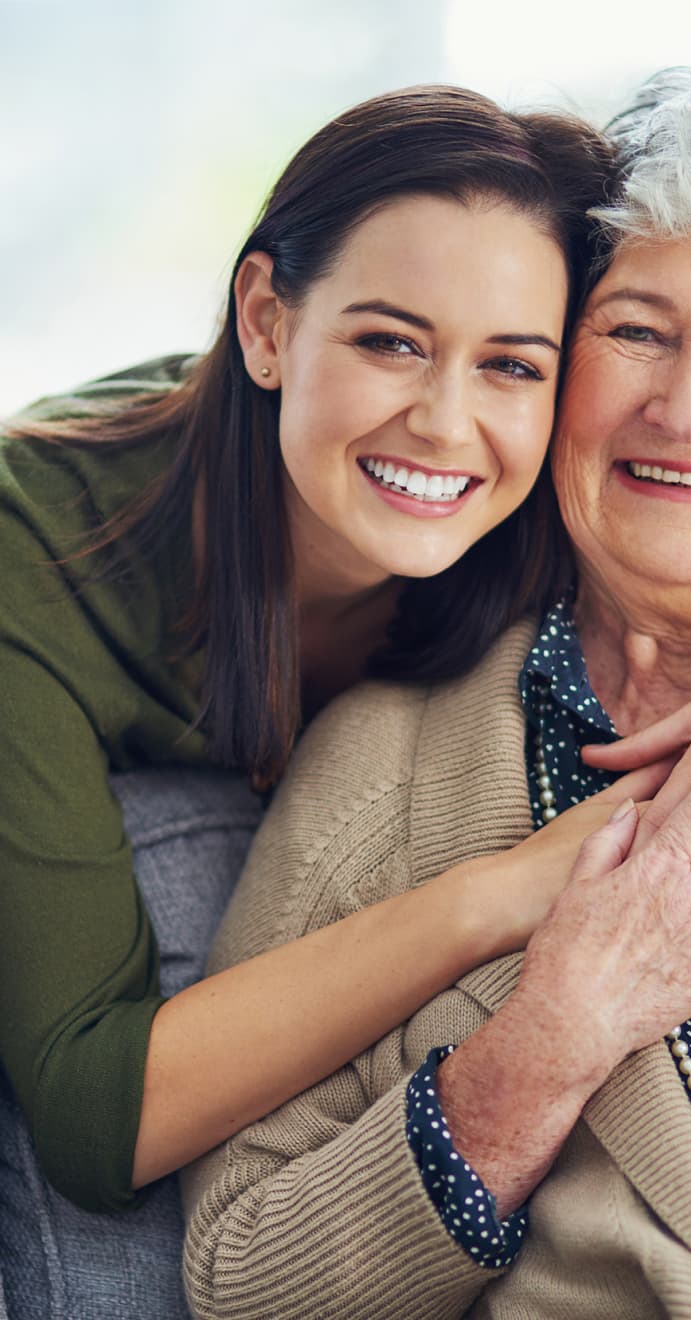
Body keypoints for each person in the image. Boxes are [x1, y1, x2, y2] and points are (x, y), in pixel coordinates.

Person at [181, 64, 691, 1320]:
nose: (690, 410)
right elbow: (241, 1278)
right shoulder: (392, 759)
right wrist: (550, 1043)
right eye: (635, 330)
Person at [0, 85, 627, 1320]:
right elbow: (94, 1113)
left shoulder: (580, 480)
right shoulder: (34, 552)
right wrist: (499, 897)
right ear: (267, 320)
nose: (447, 424)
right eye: (391, 341)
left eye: (511, 364)